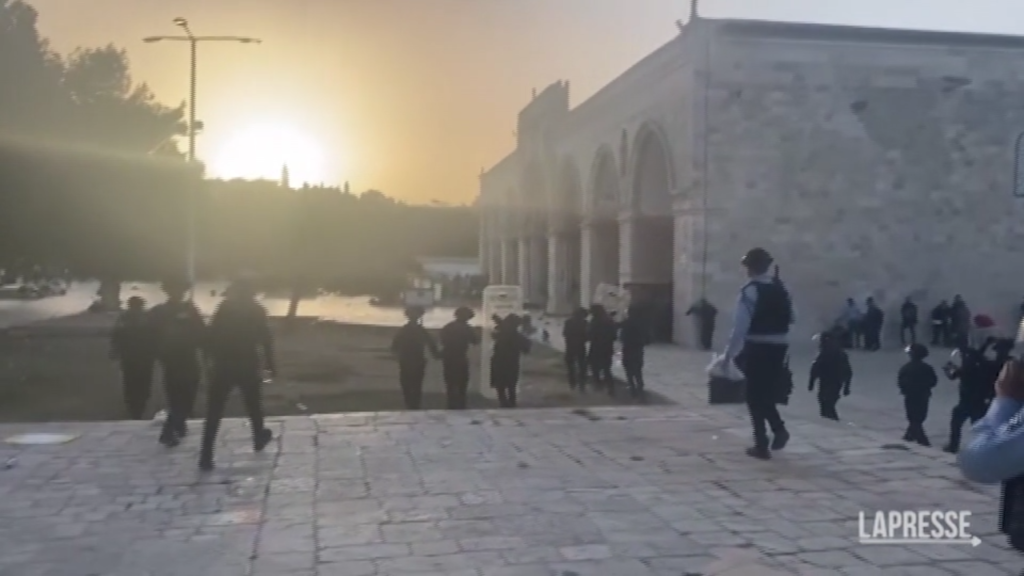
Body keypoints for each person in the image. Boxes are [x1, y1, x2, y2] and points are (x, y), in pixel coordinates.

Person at [723, 248, 794, 460]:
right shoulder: (781, 289)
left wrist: (728, 355)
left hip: (757, 347)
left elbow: (740, 328)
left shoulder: (750, 291)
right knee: (765, 393)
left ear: (749, 268)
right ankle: (778, 429)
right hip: (779, 347)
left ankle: (761, 443)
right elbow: (793, 317)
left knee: (753, 395)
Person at [199, 278, 275, 471]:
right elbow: (265, 339)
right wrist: (270, 364)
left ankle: (206, 454)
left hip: (223, 364)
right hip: (247, 363)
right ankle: (258, 437)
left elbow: (210, 335)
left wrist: (208, 361)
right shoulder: (257, 310)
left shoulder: (224, 308)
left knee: (214, 410)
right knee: (254, 405)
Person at [149, 276, 206, 447]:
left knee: (186, 393)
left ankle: (179, 424)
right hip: (174, 358)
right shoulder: (162, 311)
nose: (179, 293)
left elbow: (201, 332)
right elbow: (149, 335)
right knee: (180, 394)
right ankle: (169, 430)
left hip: (183, 356)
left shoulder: (188, 309)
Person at [942, 336, 998, 453]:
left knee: (956, 423)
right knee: (978, 426)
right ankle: (980, 447)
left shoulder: (967, 370)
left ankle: (953, 445)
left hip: (966, 402)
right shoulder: (984, 367)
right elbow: (978, 355)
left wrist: (947, 369)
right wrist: (985, 344)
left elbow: (953, 375)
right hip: (980, 402)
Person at [110, 296, 156, 419]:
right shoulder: (147, 318)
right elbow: (154, 336)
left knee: (131, 381)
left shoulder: (125, 318)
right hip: (143, 356)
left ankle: (134, 407)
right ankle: (139, 405)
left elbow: (117, 336)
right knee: (142, 381)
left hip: (131, 355)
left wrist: (115, 350)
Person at [391, 306, 440, 410]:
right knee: (416, 383)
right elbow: (431, 344)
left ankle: (410, 403)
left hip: (407, 359)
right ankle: (414, 404)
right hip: (417, 359)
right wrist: (436, 355)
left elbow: (394, 346)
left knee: (407, 382)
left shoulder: (404, 330)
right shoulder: (421, 330)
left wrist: (397, 354)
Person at [438, 306, 479, 409]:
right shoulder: (467, 328)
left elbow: (442, 340)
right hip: (460, 357)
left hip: (448, 356)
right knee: (462, 383)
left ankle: (451, 403)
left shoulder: (448, 327)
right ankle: (461, 404)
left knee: (450, 383)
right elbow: (475, 341)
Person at [898, 343, 938, 446]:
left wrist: (904, 389)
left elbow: (901, 381)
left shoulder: (906, 368)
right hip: (923, 395)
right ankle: (913, 436)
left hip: (910, 395)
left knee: (913, 417)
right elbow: (933, 381)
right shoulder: (927, 368)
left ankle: (918, 438)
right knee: (920, 416)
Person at [807, 330, 852, 421]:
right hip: (834, 380)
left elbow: (815, 368)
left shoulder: (826, 354)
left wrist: (811, 382)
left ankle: (829, 418)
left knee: (826, 400)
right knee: (827, 399)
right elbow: (848, 371)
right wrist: (846, 386)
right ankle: (829, 417)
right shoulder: (840, 354)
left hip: (830, 379)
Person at [490, 314, 530, 408]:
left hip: (499, 361)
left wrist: (500, 324)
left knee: (500, 384)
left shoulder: (501, 334)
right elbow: (526, 349)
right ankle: (511, 402)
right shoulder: (518, 336)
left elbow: (495, 334)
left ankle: (503, 401)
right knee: (511, 384)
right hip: (512, 362)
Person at [618, 303, 650, 398]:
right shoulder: (643, 323)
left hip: (628, 348)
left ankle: (631, 385)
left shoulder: (626, 323)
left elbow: (621, 336)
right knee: (638, 368)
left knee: (628, 367)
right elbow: (647, 337)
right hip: (638, 348)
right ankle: (640, 384)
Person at [587, 304, 617, 392]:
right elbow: (614, 336)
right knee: (607, 369)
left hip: (596, 348)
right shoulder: (609, 321)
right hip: (607, 348)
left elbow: (590, 335)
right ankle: (610, 387)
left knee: (595, 368)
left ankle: (598, 385)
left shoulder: (594, 321)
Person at [562, 307, 589, 391]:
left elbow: (565, 333)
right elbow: (588, 336)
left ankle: (572, 383)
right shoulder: (585, 323)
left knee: (570, 366)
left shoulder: (568, 322)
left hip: (570, 347)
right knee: (582, 366)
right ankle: (582, 384)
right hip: (581, 347)